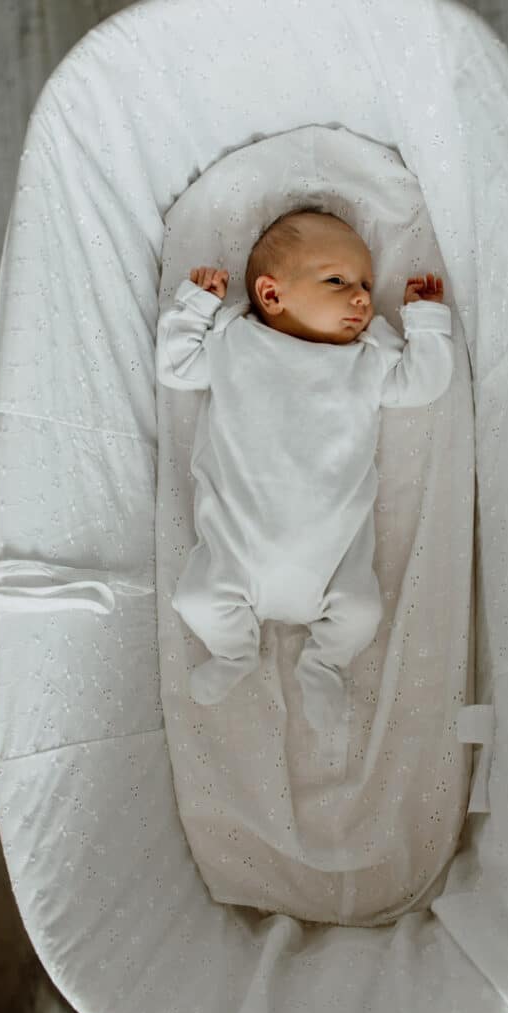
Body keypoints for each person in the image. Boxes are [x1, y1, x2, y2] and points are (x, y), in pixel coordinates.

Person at [156, 207, 453, 734]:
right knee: (196, 599)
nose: (362, 296)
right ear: (271, 295)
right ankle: (234, 653)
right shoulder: (234, 342)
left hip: (332, 561)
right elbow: (175, 367)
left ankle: (324, 661)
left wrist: (426, 323)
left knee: (361, 613)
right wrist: (197, 306)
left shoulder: (367, 359)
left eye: (364, 282)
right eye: (337, 281)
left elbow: (422, 385)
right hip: (237, 551)